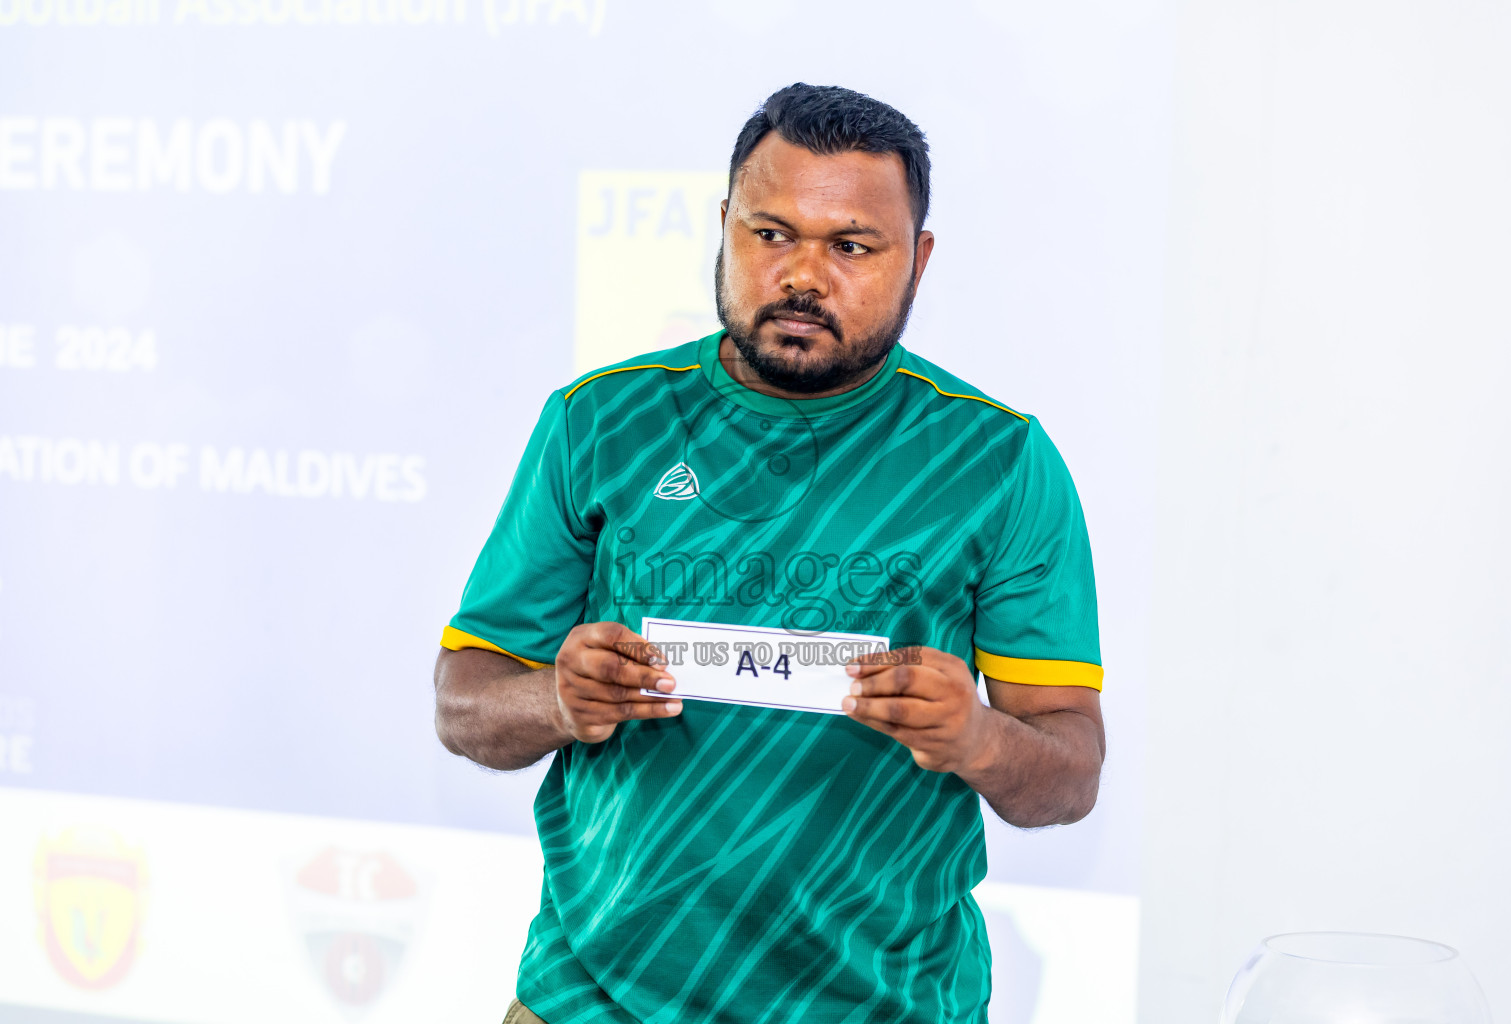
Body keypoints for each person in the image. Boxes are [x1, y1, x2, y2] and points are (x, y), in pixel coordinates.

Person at [434, 82, 1105, 1024]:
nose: (802, 276)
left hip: (887, 1006)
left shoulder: (998, 460)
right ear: (724, 227)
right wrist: (556, 697)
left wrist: (980, 739)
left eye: (851, 247)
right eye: (771, 233)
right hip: (590, 1001)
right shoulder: (598, 422)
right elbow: (463, 704)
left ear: (918, 260)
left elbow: (1070, 773)